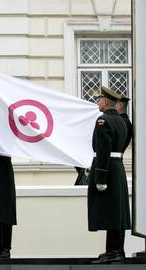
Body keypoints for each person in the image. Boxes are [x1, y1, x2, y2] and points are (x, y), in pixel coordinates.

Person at [87, 86, 130, 264]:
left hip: (108, 169)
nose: (98, 103)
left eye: (99, 100)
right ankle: (116, 249)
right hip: (118, 168)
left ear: (105, 102)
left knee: (110, 212)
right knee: (117, 211)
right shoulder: (122, 121)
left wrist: (100, 177)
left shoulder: (103, 121)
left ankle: (113, 251)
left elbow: (103, 150)